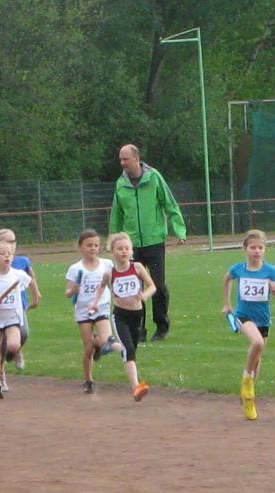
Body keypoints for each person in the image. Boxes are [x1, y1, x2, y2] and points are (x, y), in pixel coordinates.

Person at [110, 144, 186, 342]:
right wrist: (114, 240)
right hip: (131, 244)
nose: (122, 163)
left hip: (154, 241)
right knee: (133, 287)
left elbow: (169, 203)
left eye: (125, 159)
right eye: (120, 159)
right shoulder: (121, 183)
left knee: (158, 286)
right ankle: (138, 330)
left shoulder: (154, 177)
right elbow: (116, 213)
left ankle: (161, 326)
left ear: (136, 159)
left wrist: (180, 230)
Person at [222, 230, 275, 421]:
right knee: (257, 343)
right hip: (243, 316)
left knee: (257, 359)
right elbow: (227, 279)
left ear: (265, 249)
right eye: (253, 247)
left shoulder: (271, 271)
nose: (256, 251)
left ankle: (249, 398)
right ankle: (246, 378)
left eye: (260, 248)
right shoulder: (239, 269)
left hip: (263, 320)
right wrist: (227, 303)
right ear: (245, 249)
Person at [90, 232, 157, 402]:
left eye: (127, 248)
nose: (124, 251)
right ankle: (136, 387)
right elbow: (101, 287)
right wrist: (95, 303)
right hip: (120, 316)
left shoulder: (137, 268)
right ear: (112, 252)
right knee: (128, 350)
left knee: (131, 350)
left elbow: (152, 286)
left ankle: (108, 344)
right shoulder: (110, 273)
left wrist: (144, 296)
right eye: (120, 249)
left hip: (137, 314)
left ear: (132, 251)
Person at [0, 240, 40, 400]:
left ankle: (12, 353)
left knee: (13, 344)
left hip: (12, 319)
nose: (6, 256)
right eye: (2, 253)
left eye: (9, 254)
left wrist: (35, 299)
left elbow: (31, 282)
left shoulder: (17, 275)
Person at [64, 229, 122, 394]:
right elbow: (67, 293)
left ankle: (98, 343)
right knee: (88, 347)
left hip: (101, 307)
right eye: (89, 245)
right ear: (80, 247)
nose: (93, 248)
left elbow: (114, 282)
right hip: (83, 311)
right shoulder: (75, 268)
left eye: (96, 245)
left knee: (106, 340)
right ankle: (88, 379)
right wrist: (73, 290)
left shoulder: (107, 264)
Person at [0, 228, 42, 374]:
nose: (11, 244)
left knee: (24, 333)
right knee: (2, 339)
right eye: (7, 241)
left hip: (19, 304)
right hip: (0, 309)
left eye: (13, 241)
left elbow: (31, 278)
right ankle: (1, 366)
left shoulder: (23, 261)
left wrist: (36, 295)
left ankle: (16, 351)